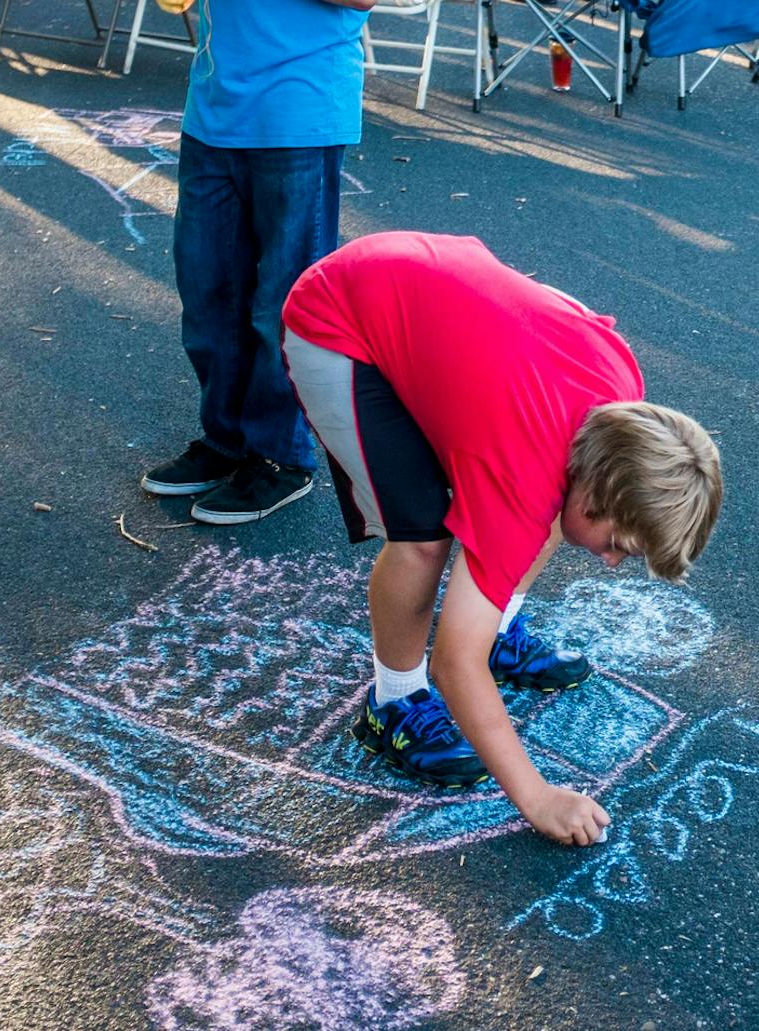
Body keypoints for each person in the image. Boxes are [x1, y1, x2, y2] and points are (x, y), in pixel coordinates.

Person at [278, 230, 723, 843]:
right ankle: (393, 703)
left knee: (537, 518)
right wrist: (537, 797)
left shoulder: (622, 402)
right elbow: (456, 661)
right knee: (422, 537)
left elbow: (556, 308)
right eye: (620, 543)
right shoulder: (523, 477)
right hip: (338, 319)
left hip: (420, 292)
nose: (614, 562)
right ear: (599, 493)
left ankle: (499, 622)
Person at [139, 0, 389, 525]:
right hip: (217, 92)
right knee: (206, 287)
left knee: (281, 296)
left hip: (300, 101)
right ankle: (224, 436)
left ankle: (279, 455)